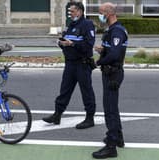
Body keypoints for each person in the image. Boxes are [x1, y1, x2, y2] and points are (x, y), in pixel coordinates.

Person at [42, 2, 96, 129]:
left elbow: (89, 45)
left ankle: (89, 118)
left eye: (72, 11)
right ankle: (57, 115)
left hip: (82, 64)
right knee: (64, 90)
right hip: (70, 64)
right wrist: (61, 43)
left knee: (86, 91)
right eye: (70, 11)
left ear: (79, 11)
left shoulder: (87, 24)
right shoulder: (71, 25)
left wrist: (72, 44)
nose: (70, 14)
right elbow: (67, 40)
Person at [92, 2, 128, 159]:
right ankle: (118, 137)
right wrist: (103, 49)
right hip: (109, 72)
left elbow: (115, 55)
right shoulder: (111, 30)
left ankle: (111, 146)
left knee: (110, 110)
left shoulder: (117, 31)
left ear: (109, 13)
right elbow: (112, 51)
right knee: (112, 107)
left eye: (101, 13)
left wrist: (97, 62)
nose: (100, 16)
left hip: (113, 74)